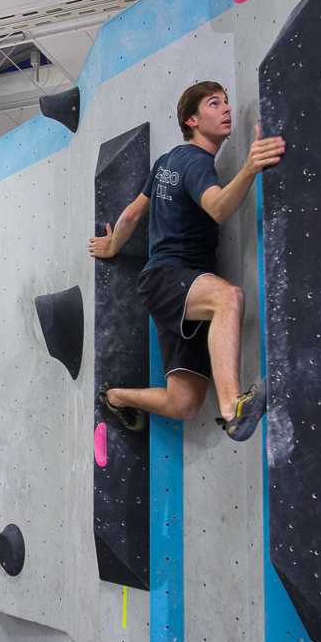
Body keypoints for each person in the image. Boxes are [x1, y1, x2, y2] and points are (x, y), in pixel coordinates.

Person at [89, 81, 285, 441]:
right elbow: (219, 209)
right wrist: (251, 167)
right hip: (170, 279)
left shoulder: (167, 161)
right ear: (192, 119)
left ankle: (115, 397)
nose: (226, 109)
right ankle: (234, 410)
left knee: (184, 404)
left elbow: (132, 214)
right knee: (229, 298)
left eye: (226, 102)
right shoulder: (196, 163)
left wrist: (112, 248)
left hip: (169, 289)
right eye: (214, 104)